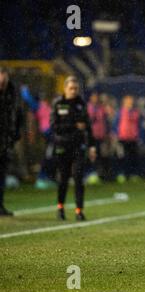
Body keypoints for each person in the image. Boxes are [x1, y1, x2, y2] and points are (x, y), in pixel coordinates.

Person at [51, 76, 96, 221]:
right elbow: (54, 127)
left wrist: (92, 146)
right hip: (62, 146)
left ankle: (79, 211)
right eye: (71, 88)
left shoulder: (81, 104)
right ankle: (60, 208)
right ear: (65, 89)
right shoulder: (58, 104)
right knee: (63, 179)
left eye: (76, 88)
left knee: (78, 178)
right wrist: (74, 125)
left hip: (78, 146)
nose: (73, 91)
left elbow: (88, 127)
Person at [0, 67, 22, 217]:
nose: (1, 79)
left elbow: (18, 114)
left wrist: (16, 133)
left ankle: (0, 205)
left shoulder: (12, 92)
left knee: (1, 175)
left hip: (6, 141)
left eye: (3, 75)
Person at [113, 95, 141, 183]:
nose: (130, 103)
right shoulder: (120, 112)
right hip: (123, 138)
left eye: (131, 101)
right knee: (123, 157)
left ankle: (132, 174)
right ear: (124, 102)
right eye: (128, 101)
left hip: (133, 138)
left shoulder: (135, 112)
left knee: (133, 157)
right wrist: (117, 134)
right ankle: (123, 174)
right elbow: (115, 124)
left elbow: (138, 125)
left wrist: (137, 135)